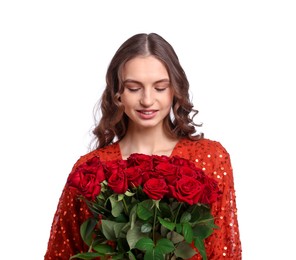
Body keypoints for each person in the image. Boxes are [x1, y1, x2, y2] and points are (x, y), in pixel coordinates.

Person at [45, 33, 242, 259]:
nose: (147, 100)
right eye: (133, 88)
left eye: (159, 88)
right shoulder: (90, 169)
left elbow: (223, 248)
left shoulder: (211, 158)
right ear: (117, 93)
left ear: (175, 90)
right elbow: (63, 251)